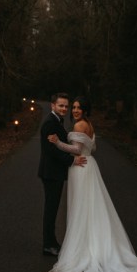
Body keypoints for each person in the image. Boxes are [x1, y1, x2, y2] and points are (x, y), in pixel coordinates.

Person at [44, 96, 137, 272]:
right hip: (89, 166)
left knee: (82, 207)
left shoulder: (79, 126)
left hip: (81, 167)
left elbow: (77, 149)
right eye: (74, 107)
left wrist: (57, 143)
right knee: (91, 206)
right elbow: (92, 148)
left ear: (85, 110)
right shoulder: (89, 124)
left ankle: (84, 246)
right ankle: (95, 242)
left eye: (78, 108)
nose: (75, 110)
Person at [38, 93, 86, 256]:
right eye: (61, 105)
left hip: (54, 172)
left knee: (52, 208)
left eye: (66, 106)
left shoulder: (56, 121)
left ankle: (51, 242)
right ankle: (48, 244)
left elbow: (60, 145)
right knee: (51, 209)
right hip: (51, 173)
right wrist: (72, 161)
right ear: (53, 106)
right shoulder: (49, 123)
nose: (64, 108)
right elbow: (51, 150)